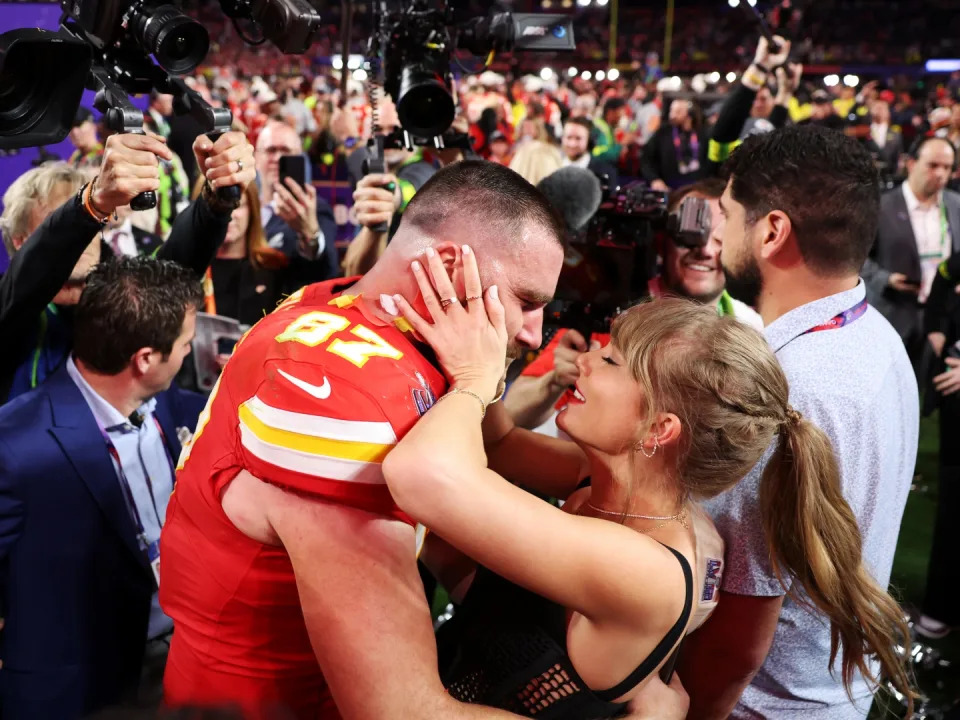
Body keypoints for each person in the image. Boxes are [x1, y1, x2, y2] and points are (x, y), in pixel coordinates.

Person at [380, 242, 914, 719]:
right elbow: (499, 446)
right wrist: (489, 343)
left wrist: (473, 378)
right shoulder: (611, 482)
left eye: (610, 360)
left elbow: (419, 475)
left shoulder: (648, 569)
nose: (585, 362)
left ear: (659, 428)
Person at [159, 160, 567, 718]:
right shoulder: (341, 403)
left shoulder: (351, 303)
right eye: (527, 300)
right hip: (261, 701)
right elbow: (402, 710)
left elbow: (497, 445)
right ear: (450, 266)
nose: (532, 332)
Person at [678, 125, 920, 719]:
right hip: (832, 693)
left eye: (729, 215)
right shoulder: (876, 332)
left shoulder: (782, 388)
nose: (717, 234)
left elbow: (737, 637)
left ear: (772, 231)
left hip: (762, 705)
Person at [0, 257, 206, 720]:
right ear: (145, 359)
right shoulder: (14, 445)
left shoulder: (177, 405)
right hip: (77, 692)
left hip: (181, 663)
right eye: (185, 345)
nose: (189, 354)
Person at [0, 131, 256, 404]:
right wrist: (90, 203)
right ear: (21, 240)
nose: (82, 237)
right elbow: (25, 284)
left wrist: (216, 200)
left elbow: (175, 266)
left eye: (95, 220)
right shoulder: (9, 306)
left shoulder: (115, 294)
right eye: (58, 219)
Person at [505, 178, 761, 435]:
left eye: (721, 238)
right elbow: (512, 413)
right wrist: (554, 382)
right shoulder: (615, 310)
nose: (704, 249)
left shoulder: (750, 327)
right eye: (690, 232)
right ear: (662, 240)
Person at [862, 136, 960, 370]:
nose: (940, 174)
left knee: (932, 389)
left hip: (942, 316)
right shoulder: (880, 206)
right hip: (895, 312)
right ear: (911, 163)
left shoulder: (956, 204)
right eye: (933, 165)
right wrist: (886, 279)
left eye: (947, 167)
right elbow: (857, 259)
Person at [916, 252, 960, 639]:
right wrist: (937, 329)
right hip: (955, 407)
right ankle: (941, 606)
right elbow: (945, 279)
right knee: (952, 505)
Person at [254, 120, 340, 285]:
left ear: (300, 158)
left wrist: (310, 234)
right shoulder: (242, 208)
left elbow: (328, 270)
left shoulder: (315, 209)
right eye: (271, 150)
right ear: (257, 158)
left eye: (285, 150)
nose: (278, 158)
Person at [197, 179, 291, 326]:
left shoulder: (275, 266)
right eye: (217, 205)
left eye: (237, 205)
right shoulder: (187, 269)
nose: (228, 214)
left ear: (252, 210)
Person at [641, 99, 706, 191]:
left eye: (678, 111)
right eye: (671, 110)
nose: (672, 115)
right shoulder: (663, 133)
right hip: (669, 188)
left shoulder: (702, 133)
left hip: (696, 188)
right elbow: (646, 159)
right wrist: (654, 179)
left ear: (689, 114)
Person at [560, 117, 618, 186]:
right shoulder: (552, 167)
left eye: (578, 138)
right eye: (568, 137)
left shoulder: (606, 173)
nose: (572, 144)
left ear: (589, 141)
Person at [863, 99, 904, 179]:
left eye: (882, 108)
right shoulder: (863, 132)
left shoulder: (895, 135)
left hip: (888, 177)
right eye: (877, 107)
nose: (879, 110)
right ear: (870, 111)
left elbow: (898, 159)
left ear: (888, 113)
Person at [591, 97, 632, 167]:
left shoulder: (608, 127)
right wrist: (621, 145)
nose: (620, 120)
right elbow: (604, 155)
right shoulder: (599, 128)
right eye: (619, 116)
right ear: (610, 112)